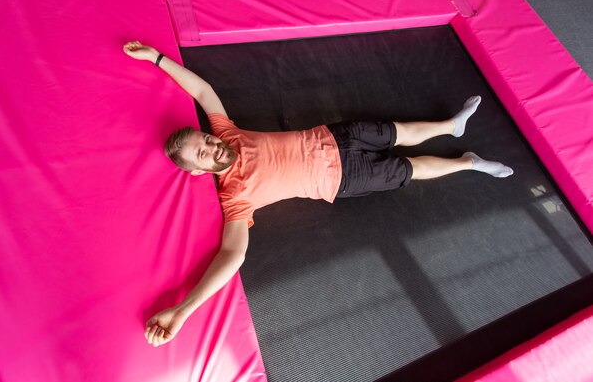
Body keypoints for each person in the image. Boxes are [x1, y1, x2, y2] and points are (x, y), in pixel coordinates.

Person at [123, 41, 514, 347]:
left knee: (400, 131)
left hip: (333, 135)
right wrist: (184, 312)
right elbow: (232, 255)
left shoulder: (228, 134)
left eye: (205, 139)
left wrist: (157, 59)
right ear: (197, 171)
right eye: (204, 154)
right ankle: (469, 163)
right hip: (344, 180)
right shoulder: (235, 195)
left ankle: (452, 125)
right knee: (410, 170)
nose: (212, 147)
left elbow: (204, 91)